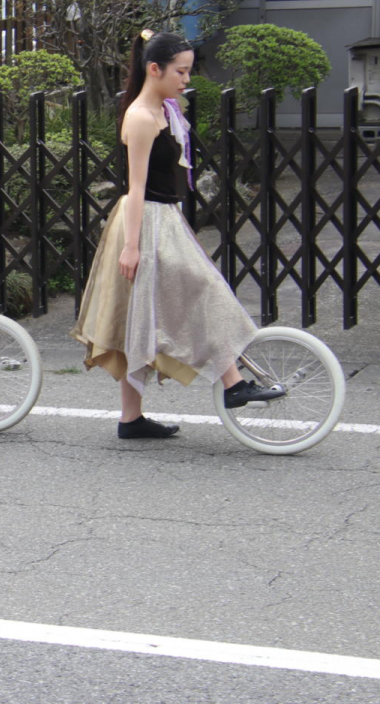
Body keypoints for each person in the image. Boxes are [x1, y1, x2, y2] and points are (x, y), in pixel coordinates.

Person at [70, 29, 285, 440]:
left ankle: (131, 420)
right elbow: (135, 187)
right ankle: (233, 384)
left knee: (142, 316)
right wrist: (131, 247)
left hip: (162, 218)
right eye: (181, 71)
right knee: (198, 291)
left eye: (188, 70)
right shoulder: (140, 116)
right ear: (155, 69)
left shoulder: (166, 109)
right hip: (143, 221)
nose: (187, 80)